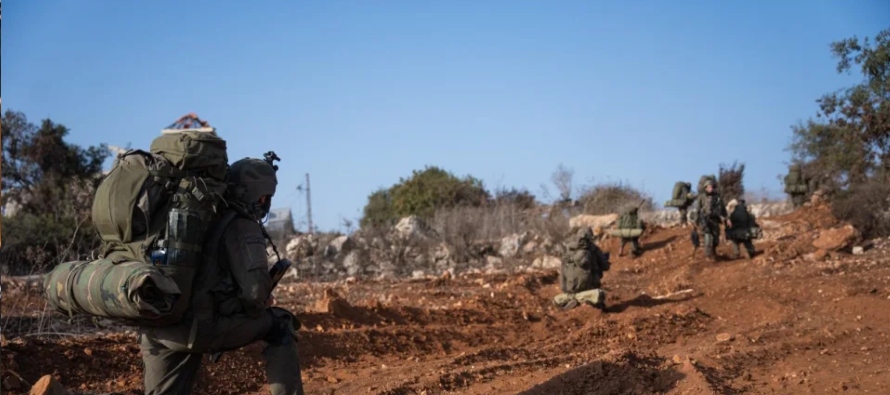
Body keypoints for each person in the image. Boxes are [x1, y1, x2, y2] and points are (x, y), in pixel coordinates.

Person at [136, 156, 305, 395]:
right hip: (199, 330)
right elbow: (254, 293)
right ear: (262, 195)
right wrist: (259, 304)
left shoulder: (185, 216)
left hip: (157, 324)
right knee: (281, 324)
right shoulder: (241, 224)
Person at [553, 227, 611, 311]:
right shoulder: (593, 249)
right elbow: (606, 267)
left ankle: (570, 300)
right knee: (600, 298)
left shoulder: (569, 249)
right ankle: (590, 301)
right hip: (588, 286)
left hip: (568, 287)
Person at [695, 179, 729, 261]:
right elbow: (698, 209)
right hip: (705, 220)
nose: (710, 188)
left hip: (714, 220)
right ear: (705, 188)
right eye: (708, 187)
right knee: (707, 238)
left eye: (711, 187)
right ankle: (708, 255)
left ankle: (713, 252)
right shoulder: (701, 197)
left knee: (716, 239)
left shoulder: (717, 197)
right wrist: (696, 221)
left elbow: (723, 209)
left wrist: (727, 219)